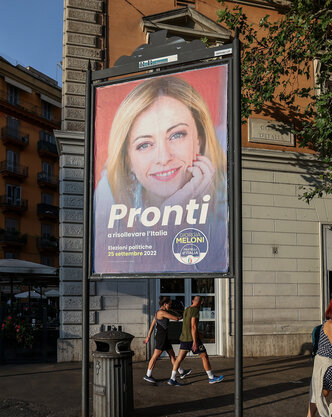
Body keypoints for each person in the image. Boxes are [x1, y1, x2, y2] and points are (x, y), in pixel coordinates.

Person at [93, 75, 229, 274]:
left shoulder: (226, 193)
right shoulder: (108, 194)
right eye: (145, 144)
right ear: (127, 160)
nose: (164, 157)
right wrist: (170, 216)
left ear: (199, 139)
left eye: (176, 135)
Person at [170, 295, 223, 385]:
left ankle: (172, 378)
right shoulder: (195, 310)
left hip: (184, 338)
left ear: (192, 300)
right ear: (201, 302)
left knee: (179, 359)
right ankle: (211, 377)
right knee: (204, 356)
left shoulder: (187, 309)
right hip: (192, 338)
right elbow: (193, 326)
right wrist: (195, 341)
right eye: (202, 302)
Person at [141, 297, 191, 385]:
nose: (170, 306)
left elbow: (152, 325)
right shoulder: (162, 313)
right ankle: (148, 375)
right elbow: (176, 318)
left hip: (164, 337)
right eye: (170, 304)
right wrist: (184, 314)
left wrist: (148, 337)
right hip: (162, 338)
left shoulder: (157, 312)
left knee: (172, 355)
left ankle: (181, 371)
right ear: (165, 304)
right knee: (155, 356)